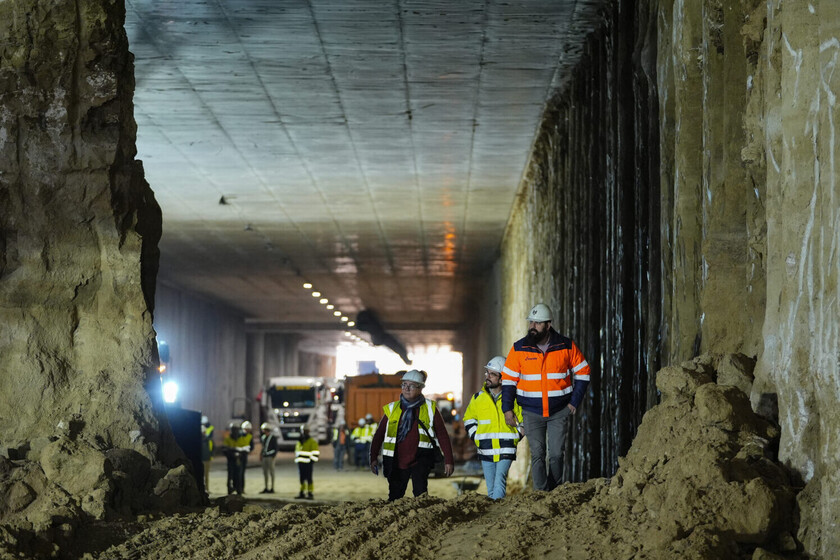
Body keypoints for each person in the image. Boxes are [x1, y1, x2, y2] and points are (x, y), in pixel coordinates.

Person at [502, 303, 591, 491]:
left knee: (557, 454)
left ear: (548, 325)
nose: (532, 326)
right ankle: (541, 494)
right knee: (538, 454)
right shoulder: (519, 349)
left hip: (559, 411)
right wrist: (507, 408)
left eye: (538, 323)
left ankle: (554, 490)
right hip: (532, 412)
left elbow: (583, 372)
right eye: (531, 322)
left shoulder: (566, 346)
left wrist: (574, 402)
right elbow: (508, 381)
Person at [369, 369, 455, 501]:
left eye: (412, 385)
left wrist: (448, 460)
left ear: (420, 388)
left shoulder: (430, 408)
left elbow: (442, 435)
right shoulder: (392, 409)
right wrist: (373, 457)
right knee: (395, 497)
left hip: (421, 459)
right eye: (404, 385)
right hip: (396, 460)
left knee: (421, 496)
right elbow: (379, 435)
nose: (406, 388)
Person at [463, 356, 524, 499]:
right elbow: (468, 419)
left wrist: (515, 437)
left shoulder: (513, 399)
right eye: (487, 373)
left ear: (502, 379)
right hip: (485, 448)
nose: (487, 376)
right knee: (490, 487)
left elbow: (524, 421)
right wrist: (476, 437)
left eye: (492, 374)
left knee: (499, 482)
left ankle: (498, 513)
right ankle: (496, 515)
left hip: (506, 448)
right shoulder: (478, 398)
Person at [294, 425, 320, 499]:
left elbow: (315, 453)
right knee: (302, 478)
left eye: (305, 431)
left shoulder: (312, 441)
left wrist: (312, 461)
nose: (304, 432)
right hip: (300, 463)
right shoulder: (299, 441)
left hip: (308, 463)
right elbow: (297, 451)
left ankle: (310, 493)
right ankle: (302, 492)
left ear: (308, 431)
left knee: (309, 478)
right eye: (303, 430)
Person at [259, 423, 279, 493]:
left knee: (271, 472)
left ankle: (272, 488)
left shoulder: (272, 438)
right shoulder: (263, 437)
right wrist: (261, 455)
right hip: (265, 457)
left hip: (270, 457)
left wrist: (273, 456)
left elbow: (276, 448)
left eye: (263, 430)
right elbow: (263, 447)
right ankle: (266, 487)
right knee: (265, 473)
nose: (262, 431)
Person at [200, 415, 214, 494]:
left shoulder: (207, 439)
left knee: (205, 475)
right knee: (204, 475)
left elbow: (212, 447)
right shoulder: (206, 439)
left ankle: (206, 488)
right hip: (205, 458)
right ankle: (205, 488)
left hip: (205, 458)